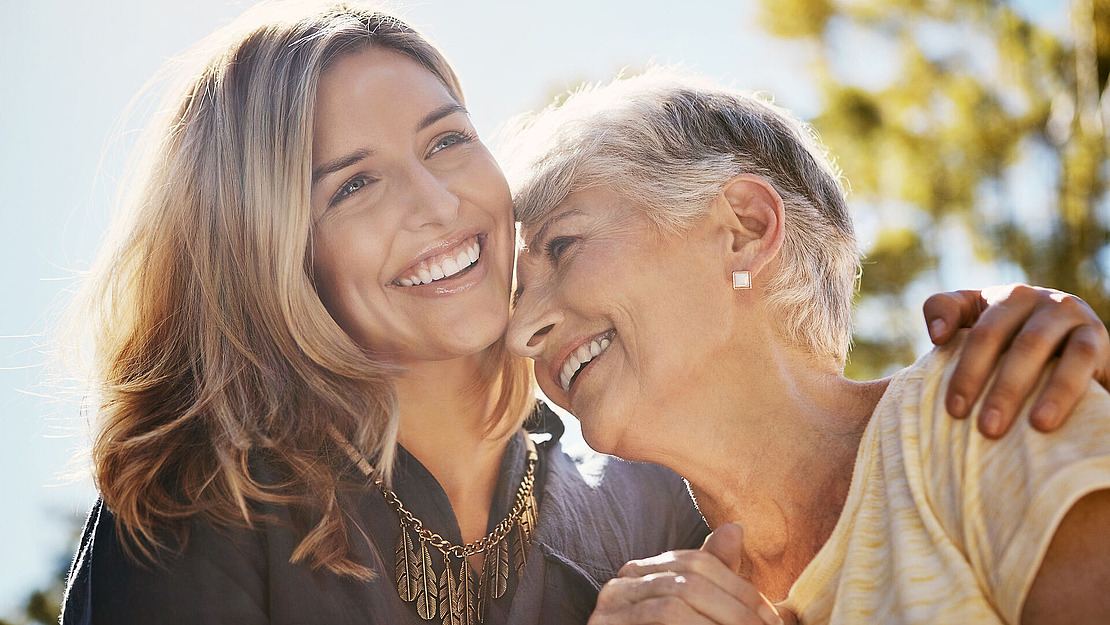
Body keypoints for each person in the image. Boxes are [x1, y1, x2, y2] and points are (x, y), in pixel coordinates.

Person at [60, 4, 1106, 624]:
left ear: (744, 229)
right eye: (350, 185)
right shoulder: (208, 502)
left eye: (445, 141)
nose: (437, 208)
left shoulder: (679, 505)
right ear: (275, 252)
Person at [504, 69, 1110, 624]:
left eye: (563, 246)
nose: (521, 331)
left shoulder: (981, 411)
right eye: (516, 295)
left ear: (745, 229)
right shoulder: (651, 600)